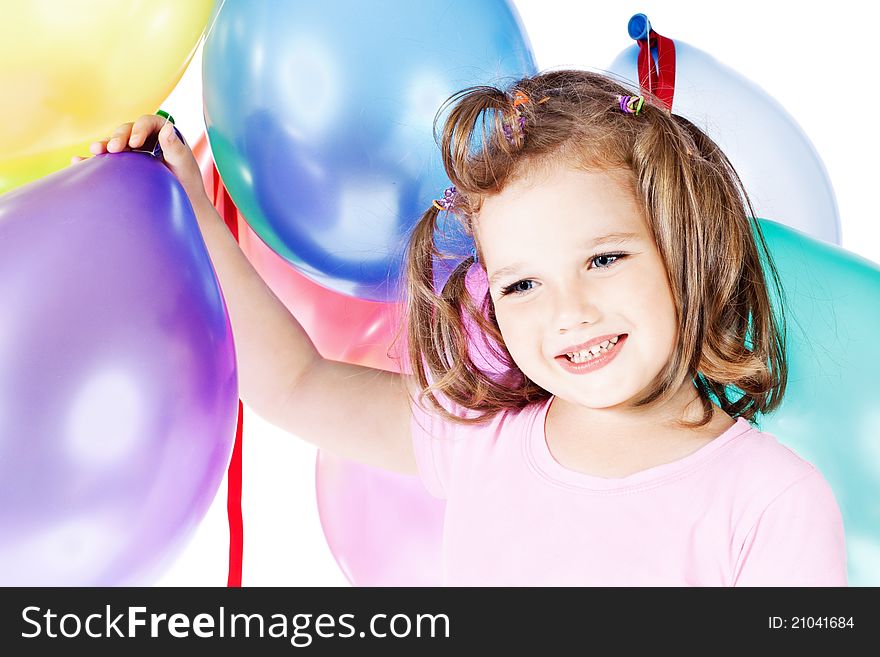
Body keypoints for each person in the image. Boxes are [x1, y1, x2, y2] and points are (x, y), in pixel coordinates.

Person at [73, 69, 847, 586]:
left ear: (686, 243)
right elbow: (296, 384)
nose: (567, 310)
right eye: (523, 283)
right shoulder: (483, 444)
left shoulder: (771, 498)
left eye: (605, 258)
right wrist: (190, 200)